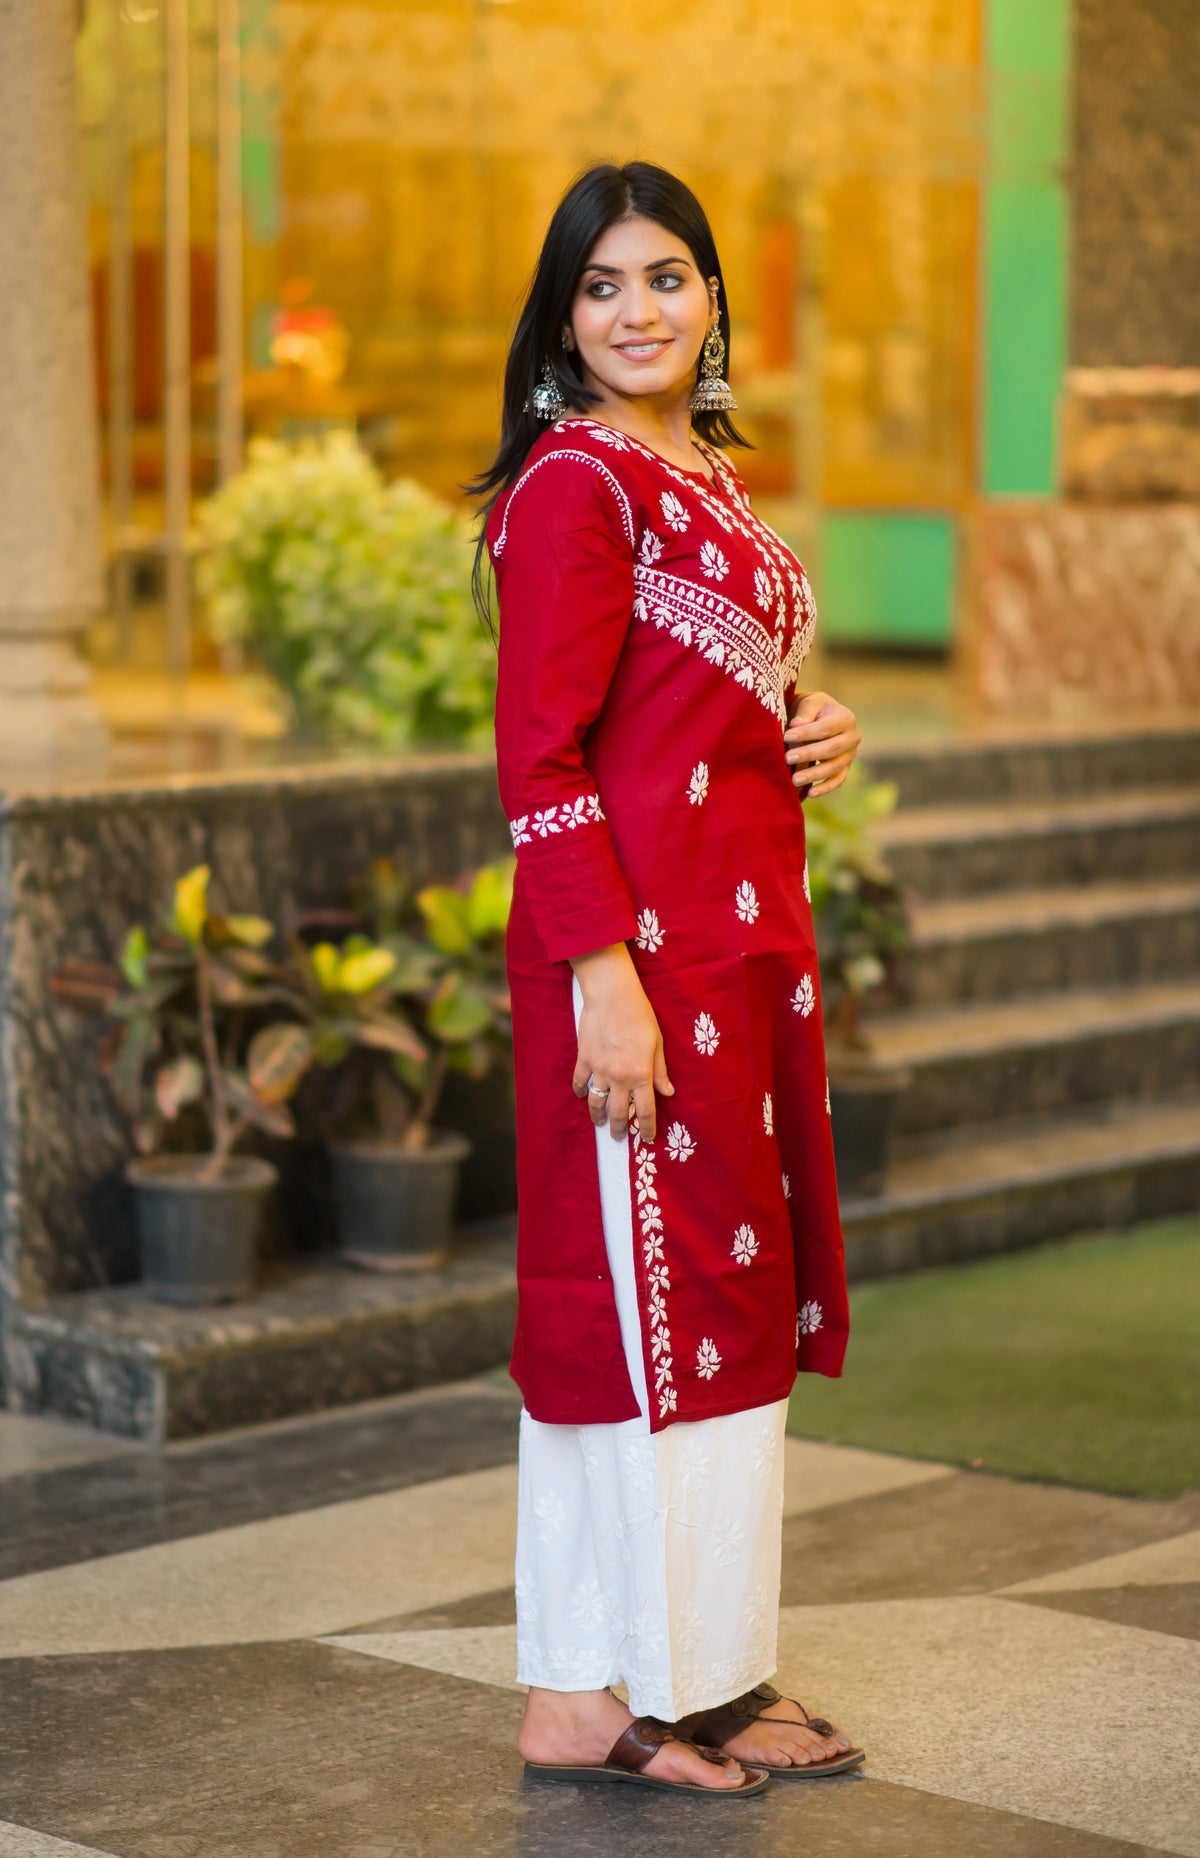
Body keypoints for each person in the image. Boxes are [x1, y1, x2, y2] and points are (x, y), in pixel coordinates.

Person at [470, 160, 864, 1798]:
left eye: (668, 277)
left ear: (711, 299)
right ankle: (582, 1689)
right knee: (624, 1319)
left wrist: (820, 721)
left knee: (719, 1308)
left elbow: (713, 706)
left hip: (740, 952)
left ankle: (703, 1670)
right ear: (565, 318)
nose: (640, 310)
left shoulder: (703, 475)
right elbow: (539, 751)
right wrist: (598, 977)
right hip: (635, 962)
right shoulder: (578, 484)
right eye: (603, 284)